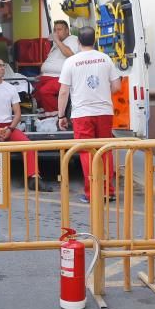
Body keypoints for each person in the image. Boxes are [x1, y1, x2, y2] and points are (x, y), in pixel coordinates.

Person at [57, 26, 120, 203]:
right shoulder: (105, 59)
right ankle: (108, 191)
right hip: (104, 112)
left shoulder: (71, 62)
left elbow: (63, 92)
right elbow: (116, 87)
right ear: (95, 40)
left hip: (82, 114)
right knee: (105, 150)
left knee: (86, 152)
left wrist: (61, 116)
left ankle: (92, 193)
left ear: (78, 42)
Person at [0, 57, 53, 192]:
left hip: (7, 127)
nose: (2, 68)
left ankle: (34, 178)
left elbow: (17, 113)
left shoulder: (10, 89)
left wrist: (10, 129)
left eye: (3, 65)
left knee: (29, 146)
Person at [35, 20, 80, 113]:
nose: (56, 32)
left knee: (45, 91)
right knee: (35, 92)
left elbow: (70, 54)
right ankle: (45, 113)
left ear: (67, 30)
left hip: (61, 77)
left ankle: (57, 116)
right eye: (55, 30)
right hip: (48, 76)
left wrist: (57, 40)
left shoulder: (73, 39)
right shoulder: (57, 43)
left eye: (59, 29)